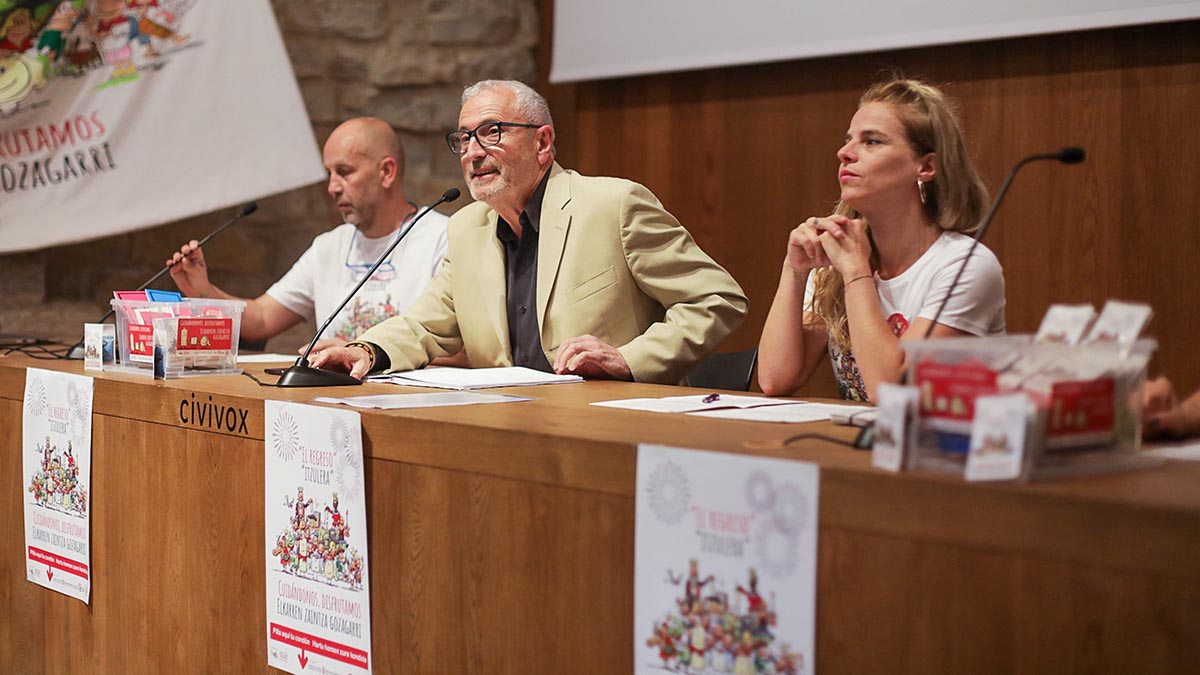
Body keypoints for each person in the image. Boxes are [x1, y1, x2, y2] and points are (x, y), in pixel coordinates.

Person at [309, 79, 747, 384]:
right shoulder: (467, 229)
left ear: (542, 143)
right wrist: (364, 350)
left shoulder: (612, 206)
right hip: (511, 426)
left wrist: (628, 359)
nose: (473, 153)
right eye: (463, 139)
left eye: (491, 133)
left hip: (612, 427)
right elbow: (426, 325)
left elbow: (717, 299)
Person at [758, 79, 1004, 402]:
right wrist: (794, 270)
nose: (844, 153)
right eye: (848, 141)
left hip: (948, 449)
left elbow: (893, 390)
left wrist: (857, 273)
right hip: (859, 451)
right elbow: (776, 379)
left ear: (926, 166)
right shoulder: (842, 258)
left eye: (871, 141)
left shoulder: (966, 265)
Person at [167, 117, 451, 354]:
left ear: (387, 172)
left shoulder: (441, 237)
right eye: (329, 173)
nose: (332, 187)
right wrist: (203, 291)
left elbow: (463, 348)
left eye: (344, 172)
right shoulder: (329, 247)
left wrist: (361, 350)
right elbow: (263, 319)